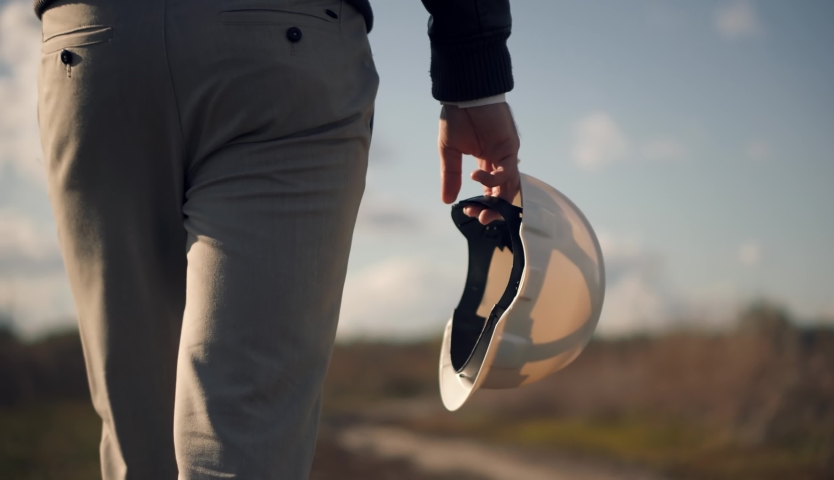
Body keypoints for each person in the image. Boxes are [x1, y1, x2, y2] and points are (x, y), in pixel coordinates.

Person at [35, 0, 520, 478]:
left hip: (91, 42)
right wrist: (475, 82)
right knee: (243, 442)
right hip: (283, 42)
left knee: (139, 437)